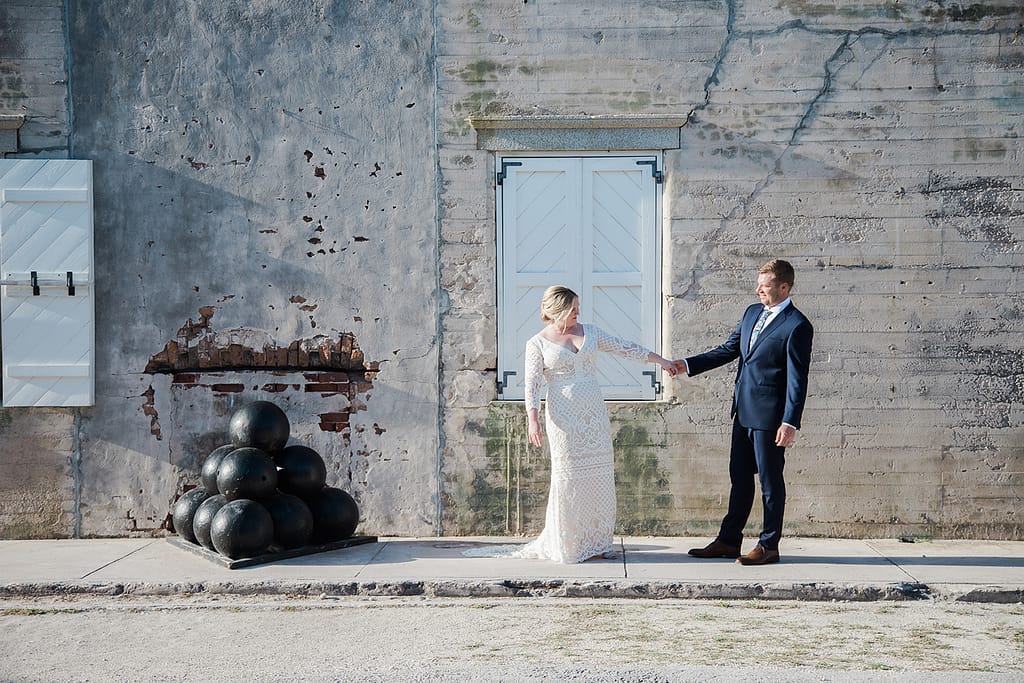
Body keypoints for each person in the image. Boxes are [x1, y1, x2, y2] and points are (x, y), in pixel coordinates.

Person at [518, 285, 677, 563]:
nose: (579, 312)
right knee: (569, 479)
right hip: (563, 417)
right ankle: (570, 543)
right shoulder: (537, 343)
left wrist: (660, 361)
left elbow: (624, 347)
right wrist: (533, 420)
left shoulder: (589, 331)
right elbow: (531, 384)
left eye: (578, 307)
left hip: (593, 412)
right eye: (573, 308)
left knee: (599, 477)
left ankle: (600, 542)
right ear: (558, 310)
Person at [676, 259, 813, 565]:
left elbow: (797, 379)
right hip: (742, 412)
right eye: (758, 285)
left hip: (771, 418)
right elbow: (728, 349)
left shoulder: (797, 325)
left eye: (764, 287)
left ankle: (769, 545)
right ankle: (728, 540)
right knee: (739, 478)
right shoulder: (752, 313)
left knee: (770, 480)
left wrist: (790, 421)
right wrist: (686, 365)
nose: (758, 290)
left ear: (783, 287)